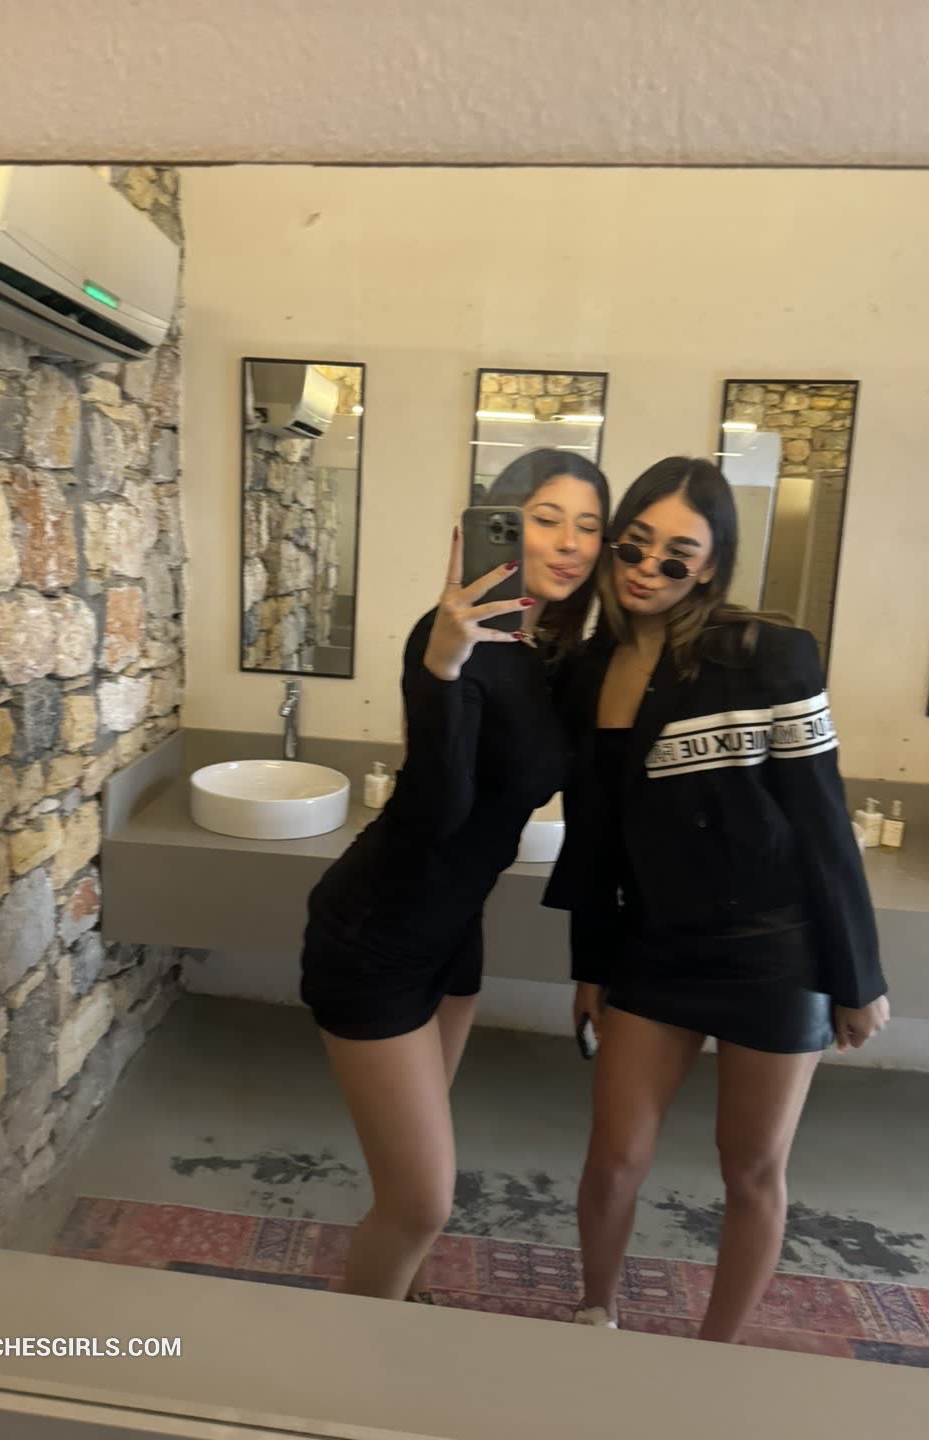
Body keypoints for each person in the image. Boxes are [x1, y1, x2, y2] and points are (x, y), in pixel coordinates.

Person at [544, 456, 890, 1342]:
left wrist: (857, 977)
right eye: (634, 545)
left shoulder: (768, 655)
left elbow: (823, 823)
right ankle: (594, 1313)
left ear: (710, 566)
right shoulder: (588, 671)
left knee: (752, 1169)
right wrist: (590, 965)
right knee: (614, 1156)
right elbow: (596, 839)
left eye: (677, 554)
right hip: (653, 946)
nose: (647, 568)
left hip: (775, 950)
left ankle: (717, 1352)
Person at [301, 449, 610, 1301]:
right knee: (422, 1202)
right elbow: (437, 812)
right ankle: (351, 1352)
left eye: (589, 526)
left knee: (415, 1168)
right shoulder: (449, 638)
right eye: (546, 519)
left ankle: (398, 1308)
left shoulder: (544, 652)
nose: (570, 542)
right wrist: (440, 667)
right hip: (377, 935)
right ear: (497, 525)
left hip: (453, 931)